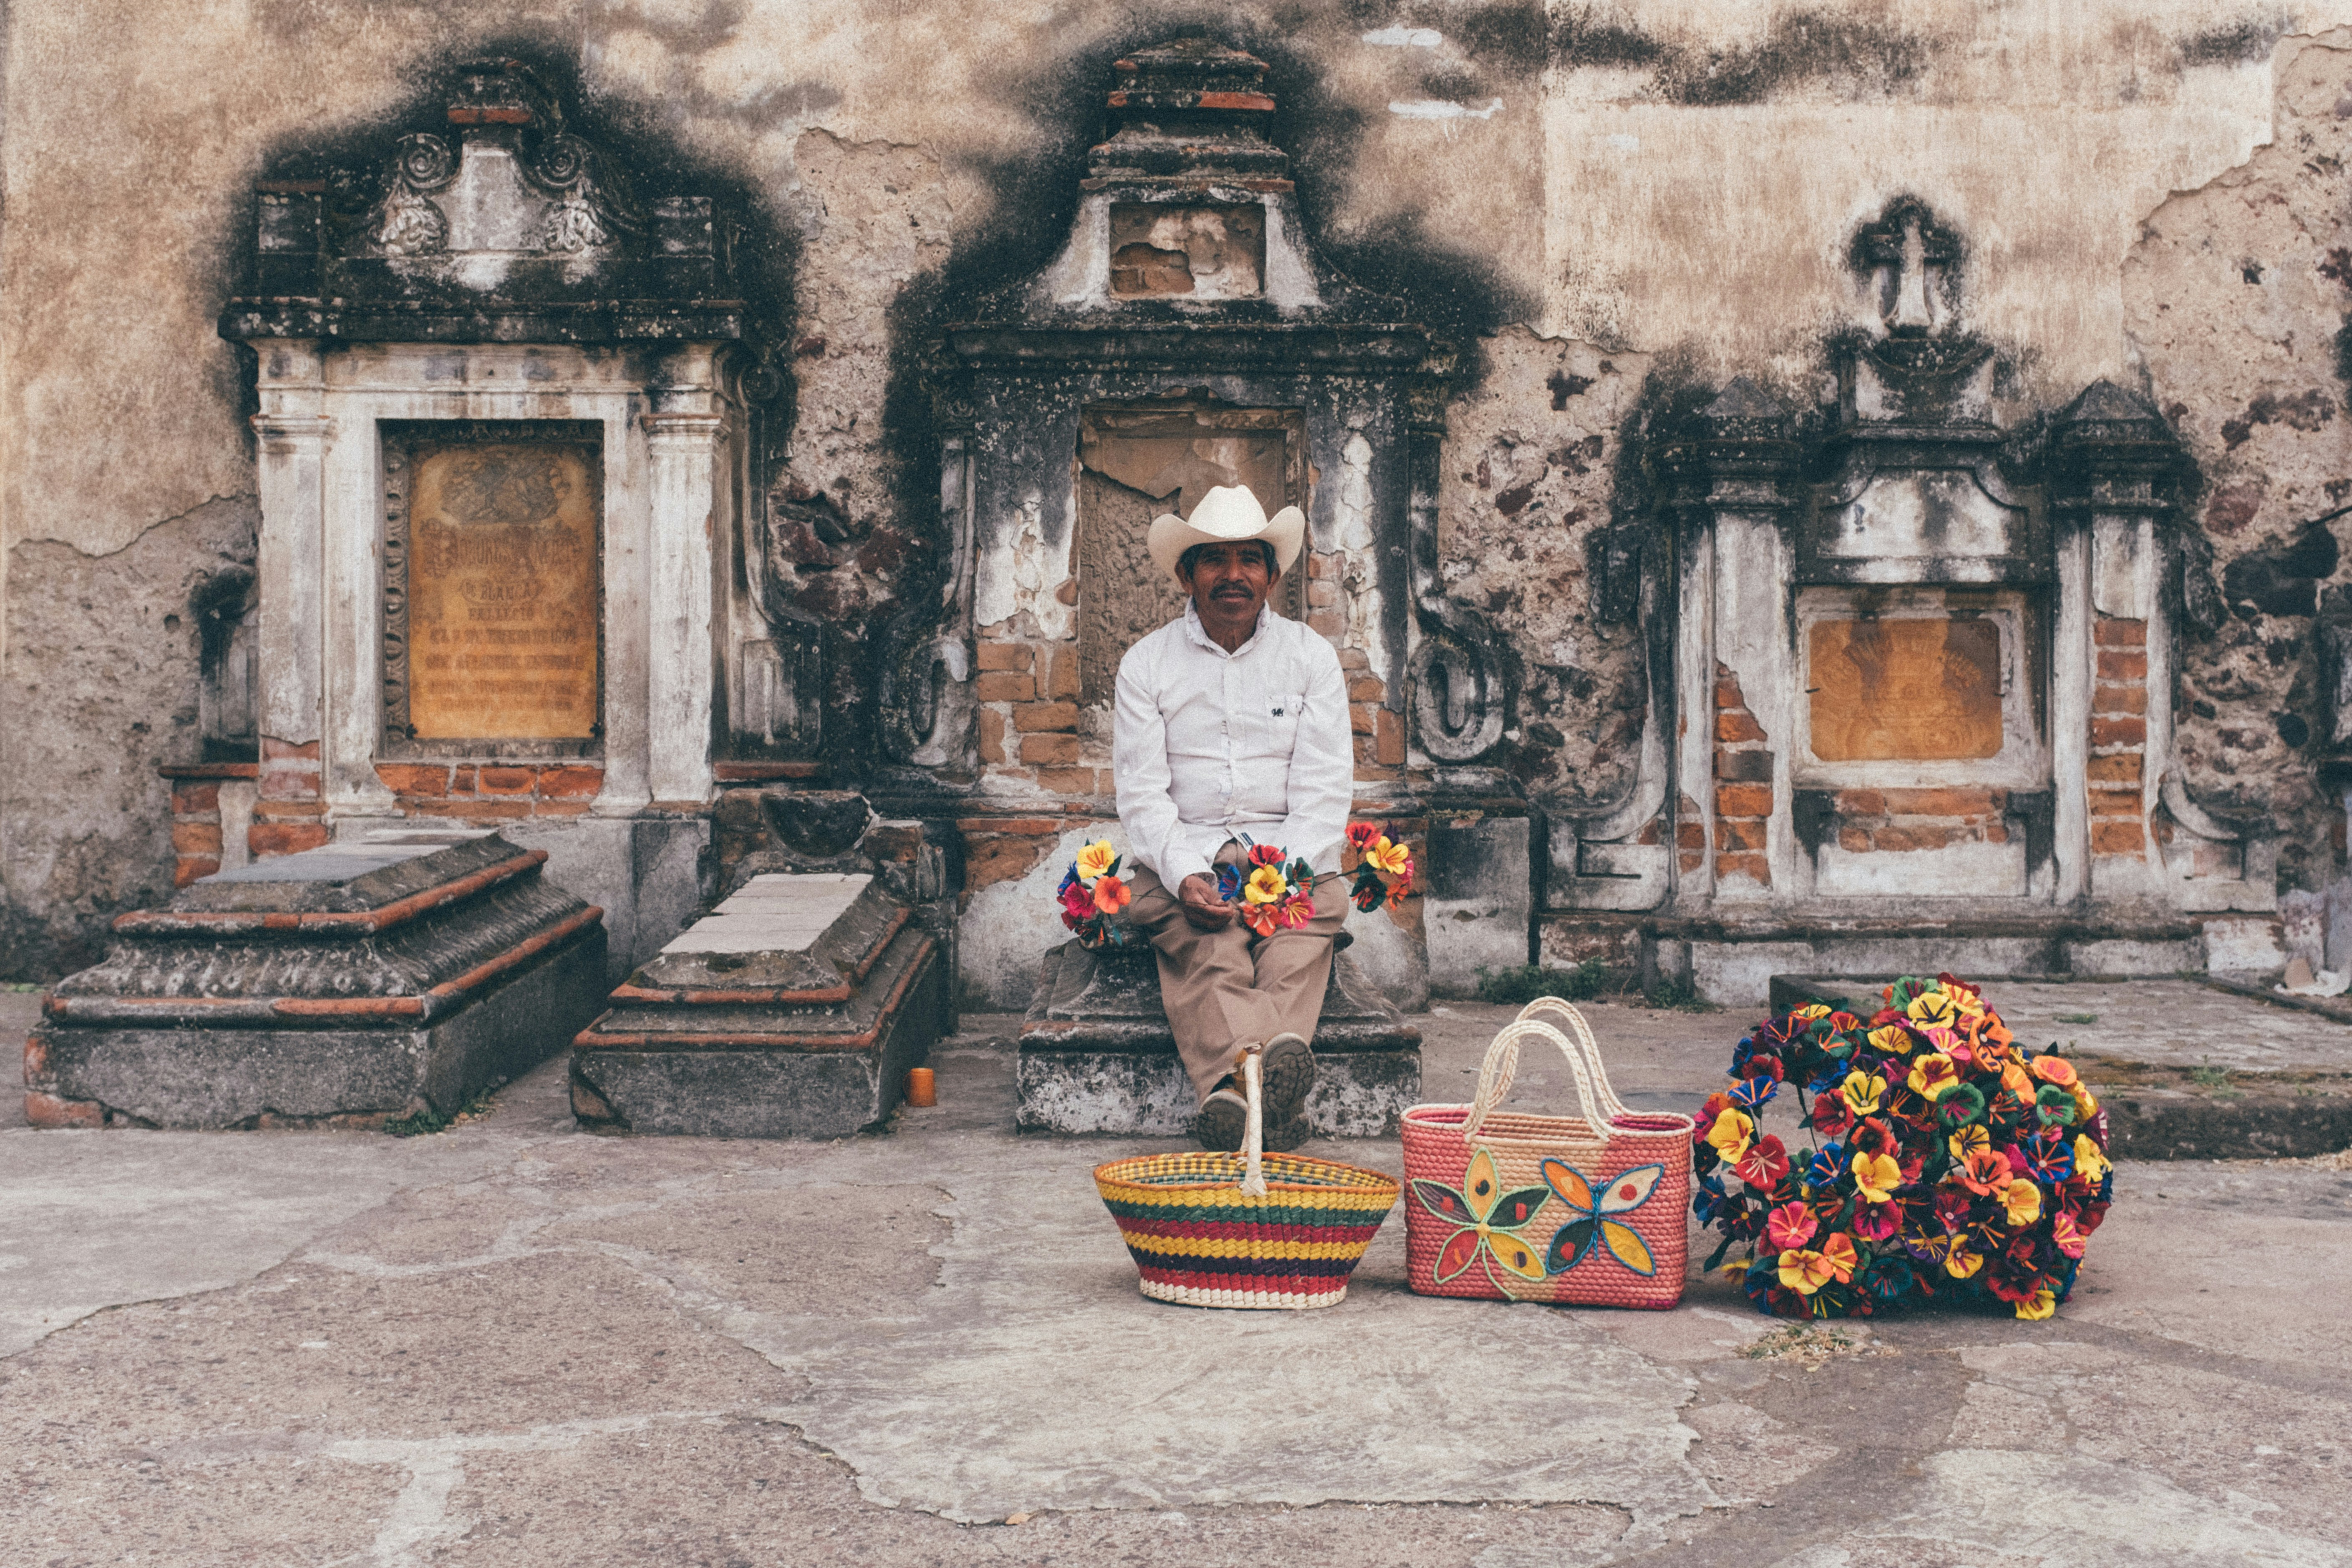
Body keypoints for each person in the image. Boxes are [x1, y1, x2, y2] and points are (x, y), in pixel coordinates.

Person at [1111, 484, 1354, 1151]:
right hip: (1185, 852)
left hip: (1287, 853)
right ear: (1186, 575)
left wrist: (1280, 874)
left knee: (1307, 927)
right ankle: (1263, 1085)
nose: (1233, 575)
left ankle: (1235, 1089)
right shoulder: (1147, 663)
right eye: (1213, 560)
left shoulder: (1309, 656)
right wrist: (1187, 872)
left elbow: (1325, 786)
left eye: (1250, 559)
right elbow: (1140, 793)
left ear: (1272, 576)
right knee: (1211, 946)